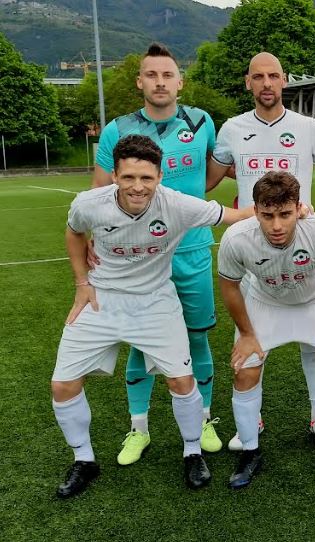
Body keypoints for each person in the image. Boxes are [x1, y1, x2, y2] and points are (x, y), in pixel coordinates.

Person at [52, 135, 253, 498]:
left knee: (181, 381)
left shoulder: (177, 205)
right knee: (63, 385)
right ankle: (84, 459)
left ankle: (192, 451)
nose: (137, 186)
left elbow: (234, 215)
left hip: (155, 302)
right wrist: (82, 282)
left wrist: (294, 208)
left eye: (146, 178)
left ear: (160, 176)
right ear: (114, 175)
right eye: (128, 177)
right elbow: (73, 231)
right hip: (103, 299)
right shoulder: (88, 204)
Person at [208, 52, 315, 450]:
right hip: (252, 244)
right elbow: (205, 180)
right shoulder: (232, 129)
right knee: (251, 345)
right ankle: (250, 420)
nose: (267, 83)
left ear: (285, 81)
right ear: (248, 82)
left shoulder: (307, 128)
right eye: (259, 77)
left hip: (299, 236)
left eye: (274, 76)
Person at [92, 43, 224, 464]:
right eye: (152, 75)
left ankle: (203, 420)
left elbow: (214, 172)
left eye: (168, 75)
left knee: (198, 336)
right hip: (139, 255)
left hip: (192, 251)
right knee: (139, 343)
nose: (160, 82)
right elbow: (98, 192)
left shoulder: (202, 121)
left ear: (180, 82)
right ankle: (139, 429)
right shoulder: (117, 128)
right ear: (140, 81)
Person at [218, 171, 315, 487]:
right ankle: (250, 451)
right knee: (244, 370)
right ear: (255, 211)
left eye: (285, 214)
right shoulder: (237, 238)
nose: (276, 225)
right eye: (267, 215)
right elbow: (230, 288)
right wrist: (248, 335)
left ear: (298, 207)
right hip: (266, 304)